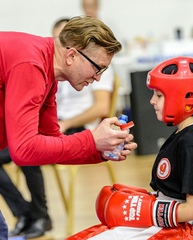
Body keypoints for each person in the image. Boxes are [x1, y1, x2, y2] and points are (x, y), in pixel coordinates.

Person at [0, 16, 137, 237]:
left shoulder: (49, 73)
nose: (98, 78)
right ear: (72, 55)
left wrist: (99, 150)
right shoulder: (32, 64)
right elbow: (24, 150)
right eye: (98, 68)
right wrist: (92, 140)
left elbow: (52, 143)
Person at [66, 56, 193, 239]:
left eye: (159, 95)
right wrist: (141, 200)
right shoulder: (183, 135)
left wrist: (149, 211)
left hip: (174, 231)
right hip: (164, 223)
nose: (151, 101)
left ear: (185, 97)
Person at [52, 18, 116, 134]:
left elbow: (102, 107)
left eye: (65, 41)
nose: (62, 47)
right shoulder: (55, 68)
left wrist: (66, 124)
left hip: (79, 128)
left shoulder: (97, 64)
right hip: (57, 123)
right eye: (58, 41)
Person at [0, 148, 52, 239]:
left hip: (44, 141)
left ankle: (41, 215)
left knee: (28, 155)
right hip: (14, 142)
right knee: (24, 151)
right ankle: (23, 211)